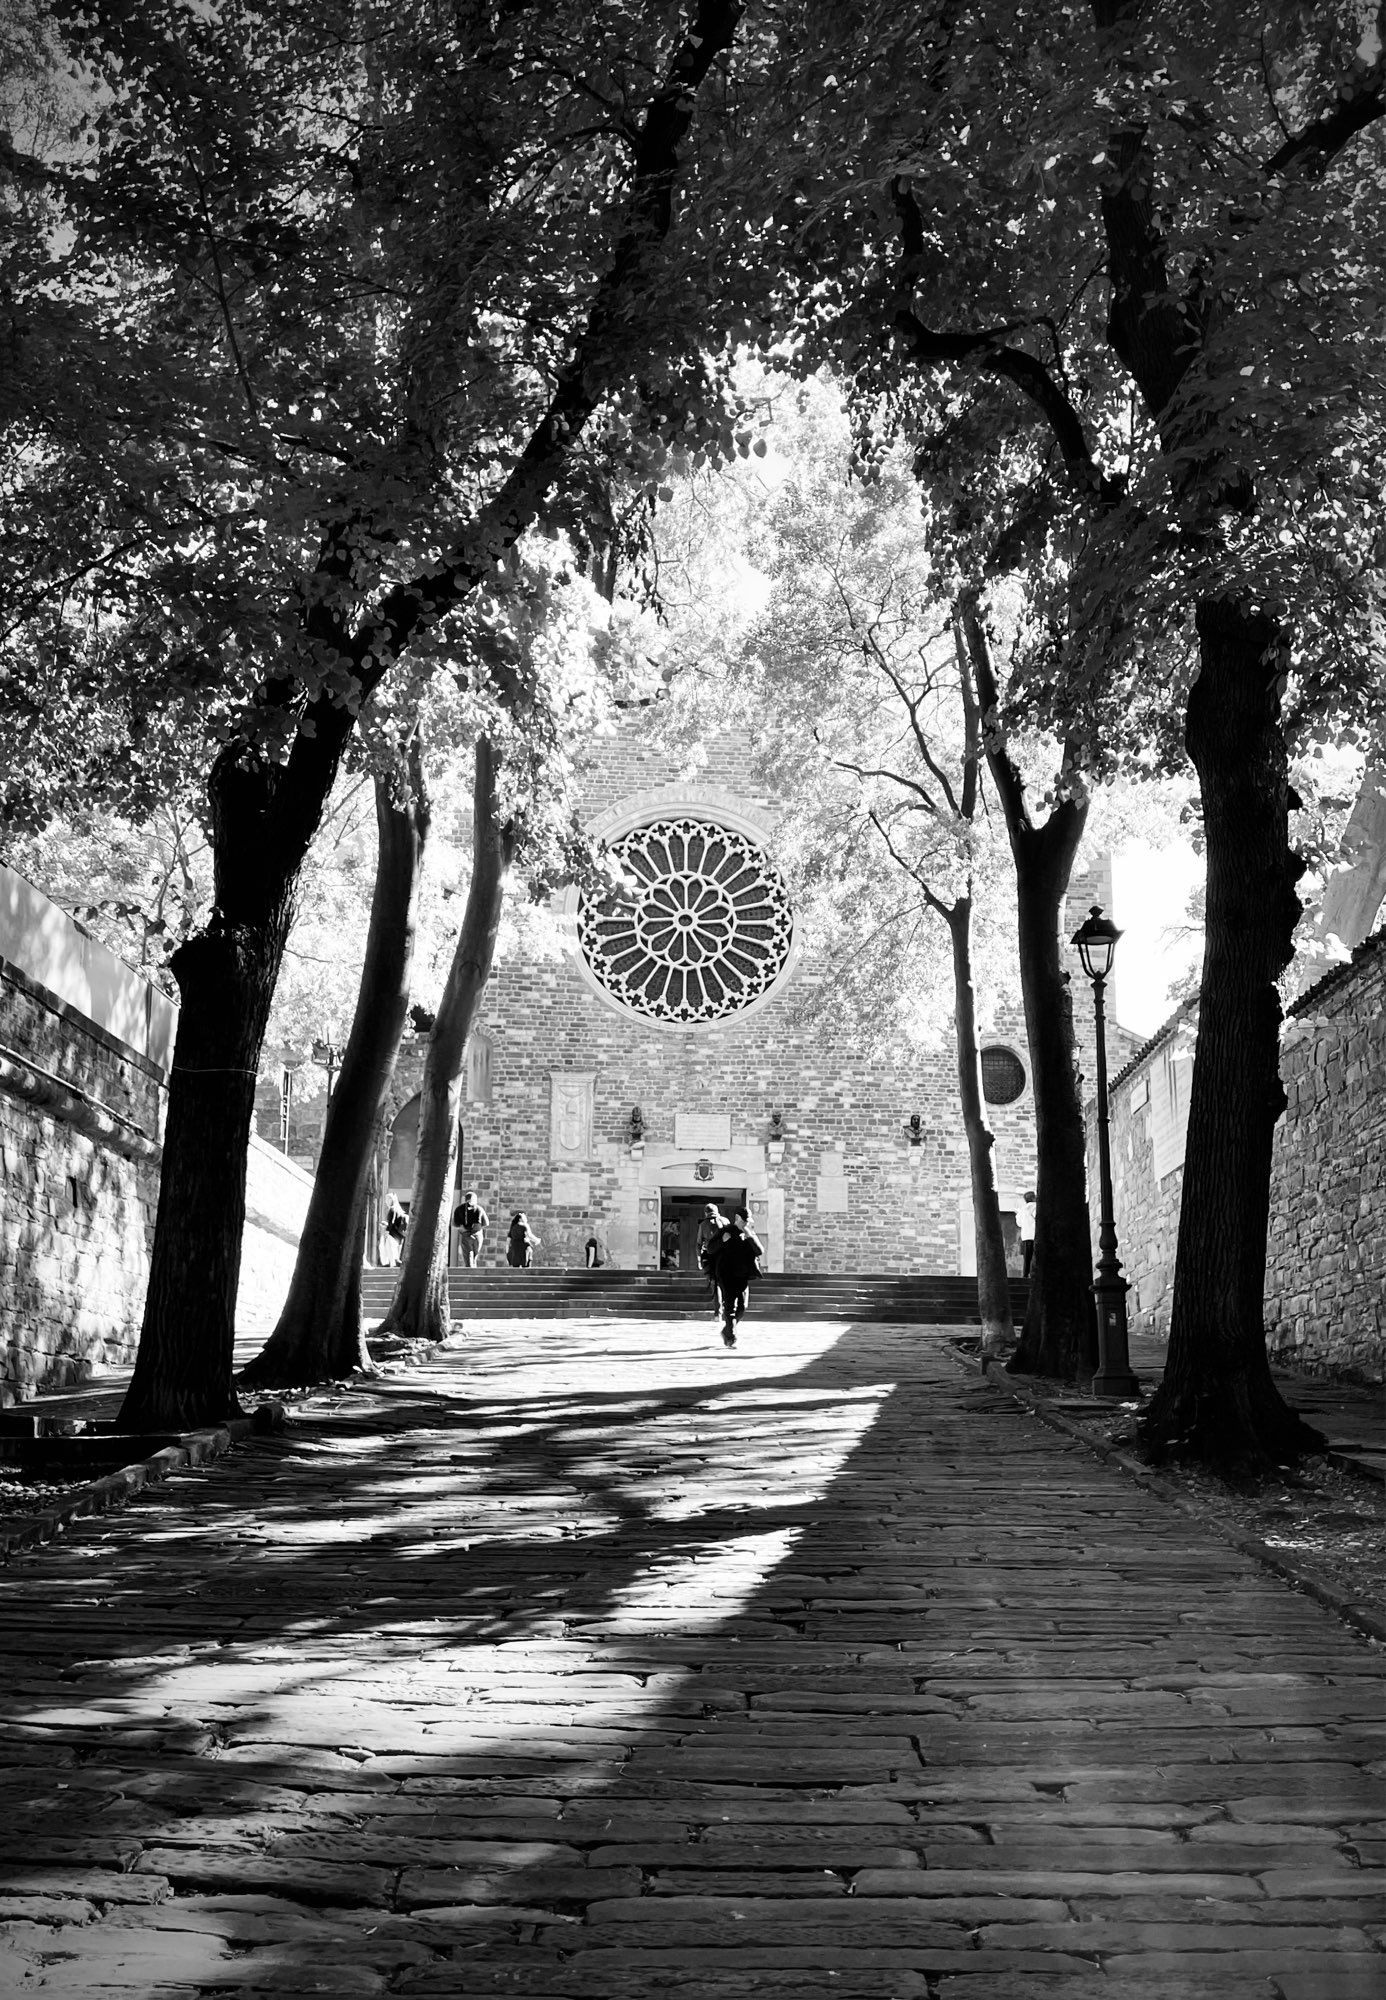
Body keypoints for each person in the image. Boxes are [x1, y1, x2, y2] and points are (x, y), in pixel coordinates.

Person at [708, 1205, 763, 1349]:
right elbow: (710, 1248)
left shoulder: (749, 1233)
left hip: (742, 1275)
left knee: (742, 1307)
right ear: (738, 1218)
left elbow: (759, 1251)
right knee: (730, 1306)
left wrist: (749, 1235)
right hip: (726, 1274)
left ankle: (727, 1330)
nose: (747, 1223)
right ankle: (731, 1336)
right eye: (744, 1220)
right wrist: (722, 1241)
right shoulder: (725, 1231)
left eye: (748, 1220)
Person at [695, 1202, 727, 1315]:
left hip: (711, 1257)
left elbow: (699, 1244)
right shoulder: (725, 1221)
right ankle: (728, 1309)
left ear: (705, 1213)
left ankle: (717, 1312)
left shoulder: (703, 1225)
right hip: (725, 1256)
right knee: (726, 1283)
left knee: (715, 1283)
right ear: (717, 1211)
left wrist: (699, 1259)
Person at [453, 1189, 489, 1267]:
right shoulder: (479, 1208)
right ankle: (473, 1272)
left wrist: (463, 1228)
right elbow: (486, 1223)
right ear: (475, 1199)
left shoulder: (459, 1209)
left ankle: (469, 1272)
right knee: (474, 1257)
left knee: (468, 1256)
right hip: (477, 1234)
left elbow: (455, 1224)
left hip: (465, 1234)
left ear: (465, 1199)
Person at [381, 1193, 407, 1267]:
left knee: (389, 1249)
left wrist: (387, 1229)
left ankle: (393, 1264)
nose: (386, 1201)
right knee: (393, 1249)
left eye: (387, 1199)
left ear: (391, 1200)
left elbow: (392, 1223)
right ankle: (394, 1262)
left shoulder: (392, 1209)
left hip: (392, 1234)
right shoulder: (398, 1209)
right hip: (399, 1234)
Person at [1016, 1189, 1037, 1278]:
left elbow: (1019, 1223)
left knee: (1027, 1258)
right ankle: (1034, 1275)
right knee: (1035, 1256)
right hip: (1034, 1235)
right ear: (1033, 1198)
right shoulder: (1035, 1207)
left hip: (1025, 1236)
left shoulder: (1022, 1210)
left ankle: (1025, 1275)